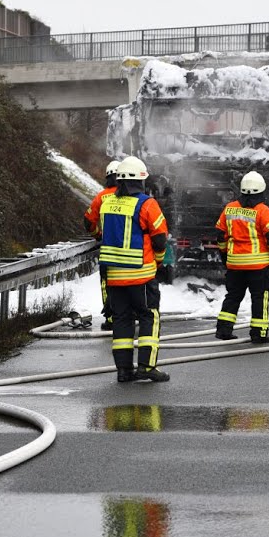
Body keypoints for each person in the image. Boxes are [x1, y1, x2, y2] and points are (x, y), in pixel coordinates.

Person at [98, 156, 171, 383]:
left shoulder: (106, 203)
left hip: (114, 278)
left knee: (121, 321)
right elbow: (160, 240)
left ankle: (123, 371)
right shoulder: (147, 204)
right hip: (141, 276)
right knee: (149, 317)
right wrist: (157, 262)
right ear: (141, 181)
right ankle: (147, 367)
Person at [214, 171, 269, 344]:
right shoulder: (262, 210)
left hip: (235, 265)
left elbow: (220, 235)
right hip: (258, 266)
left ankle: (224, 330)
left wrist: (225, 255)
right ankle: (259, 333)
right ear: (261, 191)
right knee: (259, 298)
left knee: (233, 297)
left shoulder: (229, 208)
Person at [84, 160, 121, 330]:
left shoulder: (101, 197)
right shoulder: (133, 196)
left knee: (108, 284)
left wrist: (98, 235)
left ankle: (111, 318)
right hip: (133, 251)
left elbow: (88, 221)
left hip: (108, 251)